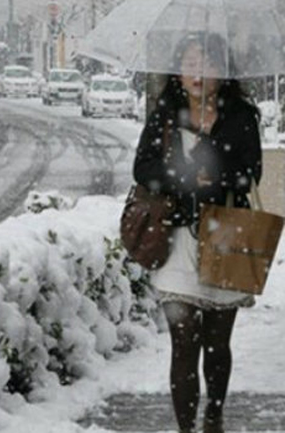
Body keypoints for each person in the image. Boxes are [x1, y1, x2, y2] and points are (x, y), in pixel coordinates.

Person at [133, 33, 262, 433]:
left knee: (217, 343)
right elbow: (143, 169)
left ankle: (215, 415)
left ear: (222, 73)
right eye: (190, 63)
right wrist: (178, 176)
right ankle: (186, 427)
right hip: (178, 238)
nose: (197, 73)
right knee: (184, 341)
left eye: (207, 64)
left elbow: (251, 172)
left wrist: (217, 172)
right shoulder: (166, 113)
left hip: (227, 234)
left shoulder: (240, 115)